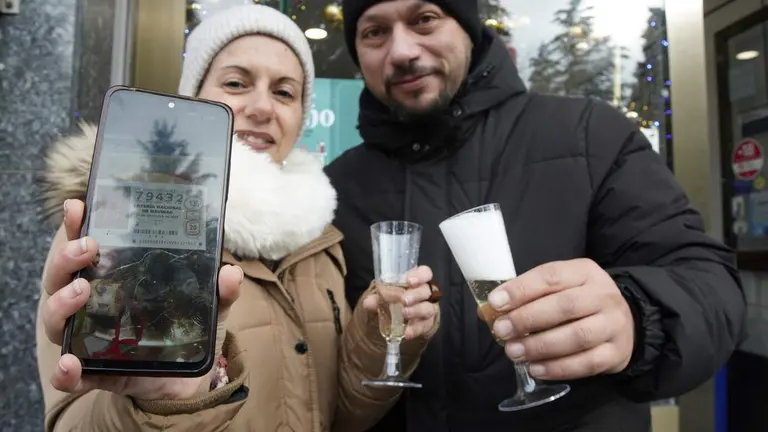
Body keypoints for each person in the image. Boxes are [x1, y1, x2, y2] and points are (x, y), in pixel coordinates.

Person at [325, 0, 746, 430]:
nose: (401, 51)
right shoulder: (334, 190)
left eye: (425, 19)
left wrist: (638, 319)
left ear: (468, 29)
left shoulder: (588, 135)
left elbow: (707, 283)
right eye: (374, 32)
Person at [35, 5, 440, 431]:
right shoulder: (110, 226)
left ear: (301, 116)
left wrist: (383, 337)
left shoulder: (320, 236)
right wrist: (158, 406)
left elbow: (340, 415)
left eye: (285, 92)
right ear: (193, 97)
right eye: (236, 82)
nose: (262, 107)